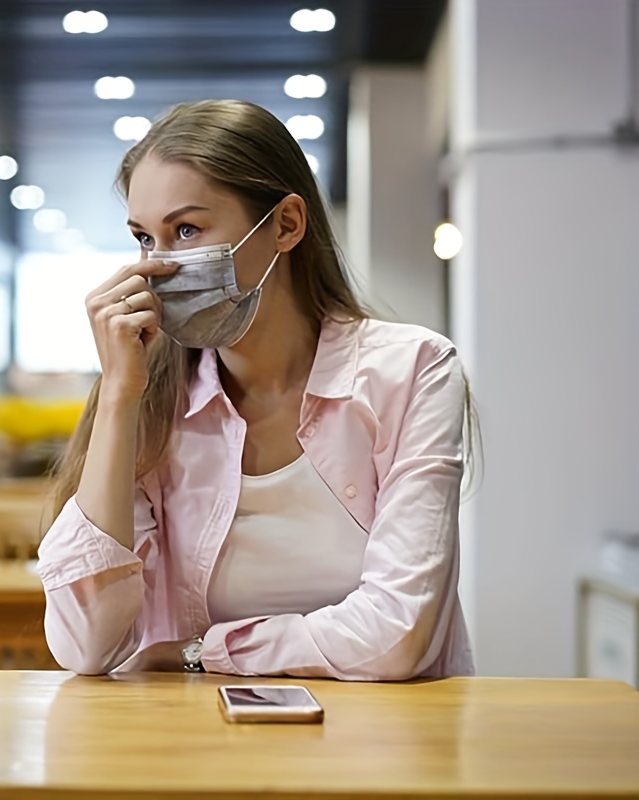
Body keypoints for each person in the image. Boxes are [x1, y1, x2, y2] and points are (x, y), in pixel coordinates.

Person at [37, 99, 477, 681]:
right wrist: (118, 396)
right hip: (190, 747)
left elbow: (398, 634)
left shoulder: (412, 370)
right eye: (145, 239)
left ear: (286, 225)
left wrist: (203, 652)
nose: (159, 265)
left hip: (386, 750)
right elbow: (86, 644)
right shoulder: (147, 394)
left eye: (187, 229)